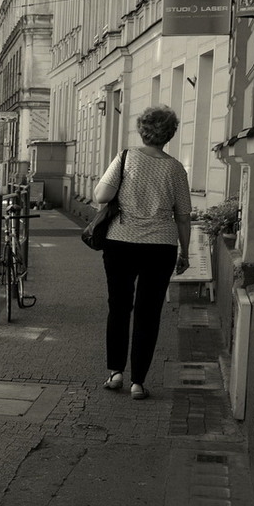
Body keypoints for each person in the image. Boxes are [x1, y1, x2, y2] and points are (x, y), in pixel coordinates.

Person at [93, 105, 192, 400]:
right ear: (170, 135)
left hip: (120, 242)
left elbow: (101, 196)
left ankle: (115, 373)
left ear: (142, 130)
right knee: (149, 313)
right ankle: (138, 382)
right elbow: (184, 215)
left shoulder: (126, 158)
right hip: (160, 247)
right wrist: (185, 254)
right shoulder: (175, 168)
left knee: (119, 307)